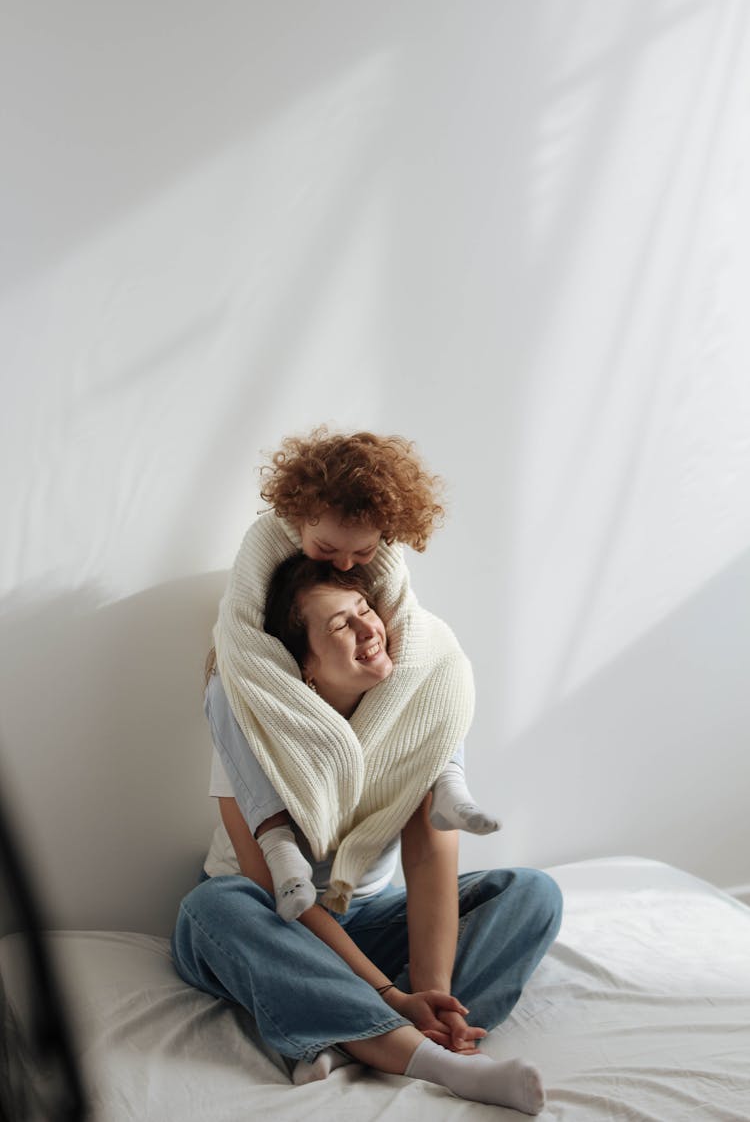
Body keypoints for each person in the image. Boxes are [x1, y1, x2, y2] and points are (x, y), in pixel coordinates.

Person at [172, 557, 562, 1114]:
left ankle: (378, 1038)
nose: (367, 629)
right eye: (339, 625)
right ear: (304, 664)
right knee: (212, 904)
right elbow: (279, 894)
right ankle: (433, 1061)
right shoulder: (256, 731)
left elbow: (430, 859)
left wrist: (426, 991)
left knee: (531, 894)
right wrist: (386, 992)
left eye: (364, 610)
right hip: (266, 924)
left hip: (367, 917)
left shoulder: (417, 709)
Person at [210, 428, 500, 921]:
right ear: (300, 518)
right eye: (327, 547)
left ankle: (449, 781)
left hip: (373, 908)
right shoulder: (267, 540)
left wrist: (428, 993)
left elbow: (403, 619)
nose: (345, 562)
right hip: (269, 904)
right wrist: (385, 992)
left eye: (361, 555)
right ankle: (279, 842)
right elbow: (238, 623)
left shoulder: (382, 555)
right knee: (226, 676)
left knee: (440, 657)